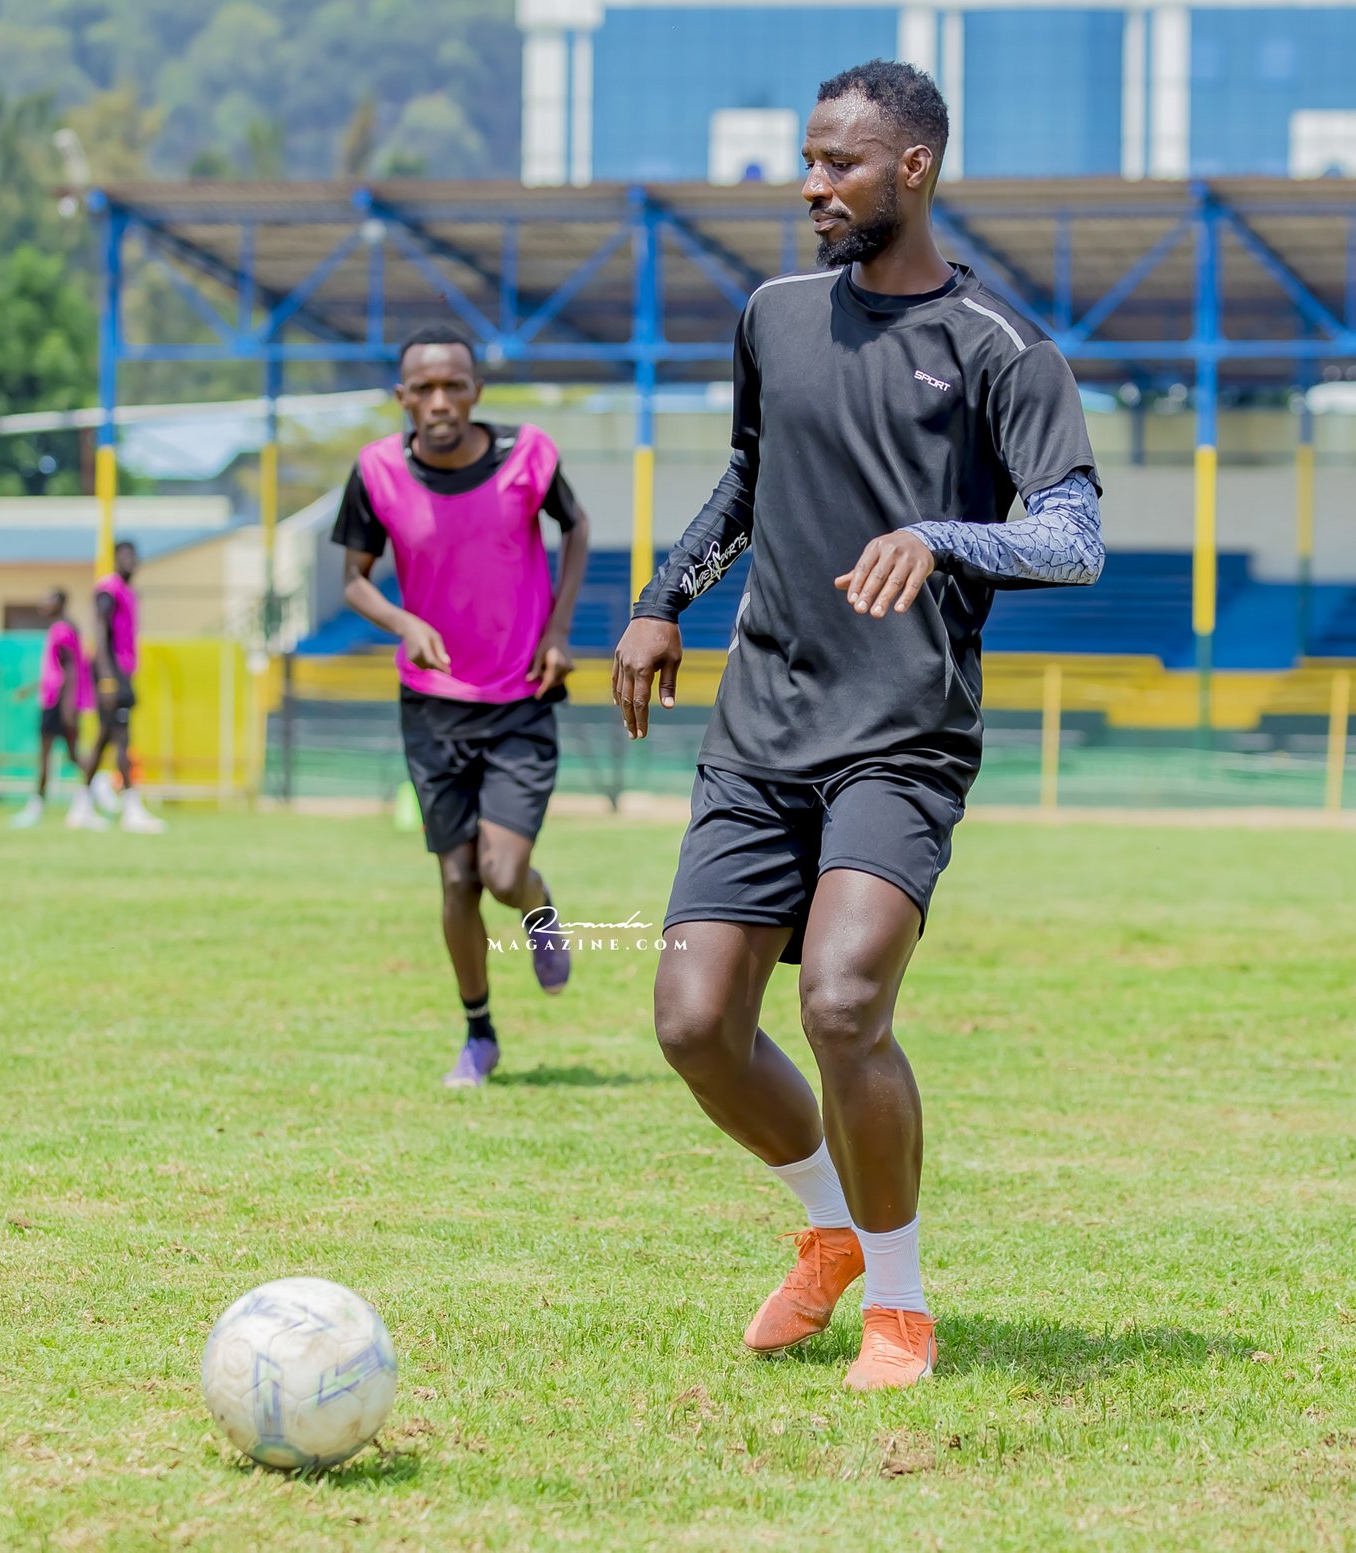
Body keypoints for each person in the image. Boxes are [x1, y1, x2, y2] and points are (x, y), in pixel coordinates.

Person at [611, 59, 1104, 1391]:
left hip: (902, 734)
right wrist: (660, 600)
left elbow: (1073, 537)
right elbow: (749, 475)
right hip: (759, 725)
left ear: (914, 169)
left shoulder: (1001, 348)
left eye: (840, 163)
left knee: (838, 1000)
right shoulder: (771, 316)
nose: (812, 185)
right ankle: (829, 1226)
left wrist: (941, 536)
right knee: (693, 1022)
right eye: (809, 160)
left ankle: (899, 1303)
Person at [333, 323, 592, 1089]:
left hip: (520, 696)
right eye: (425, 388)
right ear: (403, 397)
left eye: (454, 385)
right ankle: (479, 1035)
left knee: (503, 874)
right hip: (432, 706)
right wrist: (404, 623)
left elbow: (577, 526)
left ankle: (538, 906)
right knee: (456, 880)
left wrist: (559, 630)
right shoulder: (376, 472)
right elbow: (354, 579)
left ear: (476, 391)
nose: (440, 400)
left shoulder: (528, 455)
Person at [69, 539, 166, 835]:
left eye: (133, 556)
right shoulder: (108, 590)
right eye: (124, 556)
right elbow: (99, 630)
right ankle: (131, 808)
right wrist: (108, 677)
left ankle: (81, 806)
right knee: (122, 738)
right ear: (114, 559)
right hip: (111, 673)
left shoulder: (127, 592)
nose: (130, 561)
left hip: (120, 672)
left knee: (104, 738)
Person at [12, 589, 92, 829]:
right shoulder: (62, 628)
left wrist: (68, 707)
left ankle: (40, 806)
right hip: (57, 699)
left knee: (53, 755)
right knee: (68, 755)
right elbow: (56, 671)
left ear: (60, 603)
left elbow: (71, 670)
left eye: (50, 599)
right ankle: (93, 790)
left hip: (59, 703)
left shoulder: (63, 629)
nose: (44, 603)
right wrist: (30, 689)